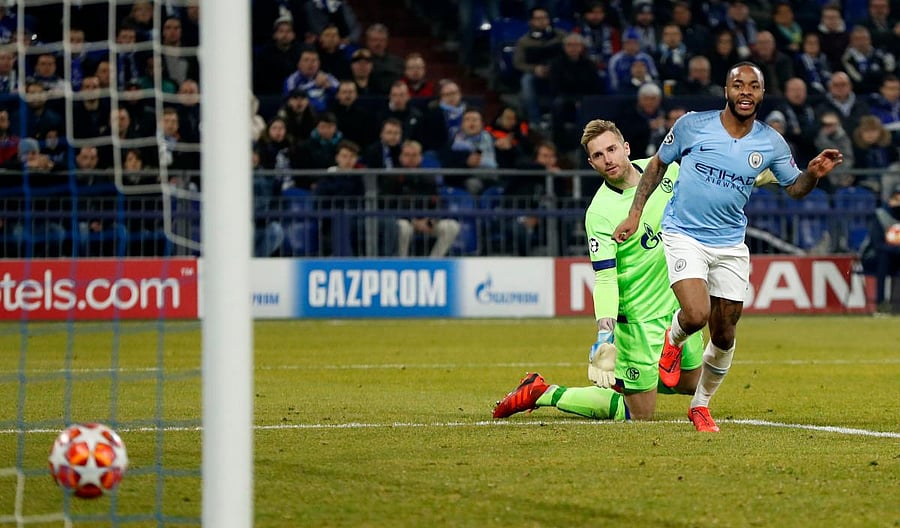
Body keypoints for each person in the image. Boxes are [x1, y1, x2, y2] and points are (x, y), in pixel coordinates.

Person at [612, 62, 843, 432]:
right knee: (696, 313)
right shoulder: (691, 125)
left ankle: (700, 405)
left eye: (754, 86)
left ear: (763, 94)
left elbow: (795, 189)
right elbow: (656, 167)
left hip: (730, 243)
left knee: (724, 332)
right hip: (683, 233)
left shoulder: (770, 142)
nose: (746, 92)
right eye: (739, 85)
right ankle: (673, 343)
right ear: (726, 90)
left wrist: (812, 174)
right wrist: (636, 214)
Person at [493, 120, 705, 421]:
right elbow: (605, 277)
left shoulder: (664, 170)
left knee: (693, 382)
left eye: (612, 149)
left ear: (626, 148)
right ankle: (544, 392)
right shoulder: (600, 213)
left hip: (677, 311)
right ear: (591, 163)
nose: (608, 159)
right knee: (640, 415)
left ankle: (624, 383)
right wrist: (605, 334)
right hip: (638, 322)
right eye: (598, 155)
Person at [380, 140, 460, 257]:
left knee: (452, 226)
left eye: (414, 155)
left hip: (425, 221)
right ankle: (403, 263)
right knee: (403, 227)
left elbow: (438, 203)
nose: (411, 159)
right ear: (401, 157)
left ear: (420, 158)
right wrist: (413, 220)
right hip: (404, 220)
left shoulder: (428, 177)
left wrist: (432, 220)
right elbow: (388, 205)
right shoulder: (392, 177)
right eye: (407, 155)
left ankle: (434, 262)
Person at [859, 184, 900, 311]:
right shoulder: (880, 215)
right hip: (873, 258)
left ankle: (896, 305)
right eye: (897, 198)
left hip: (896, 257)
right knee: (883, 258)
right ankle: (881, 302)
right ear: (891, 199)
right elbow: (877, 245)